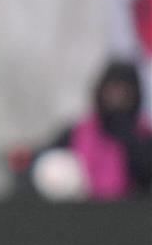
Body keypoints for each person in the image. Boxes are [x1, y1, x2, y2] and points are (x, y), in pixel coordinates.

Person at [30, 59, 152, 201]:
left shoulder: (144, 137)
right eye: (112, 90)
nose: (116, 98)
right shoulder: (77, 132)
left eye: (124, 92)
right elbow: (44, 162)